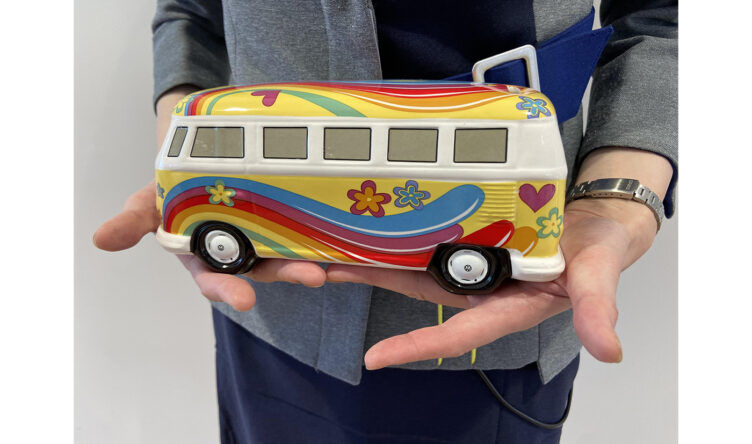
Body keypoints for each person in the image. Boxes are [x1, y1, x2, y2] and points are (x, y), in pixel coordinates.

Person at [93, 0, 677, 442]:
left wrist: (618, 194)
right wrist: (186, 102)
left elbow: (660, 12)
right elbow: (193, 9)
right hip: (265, 317)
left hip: (484, 345)